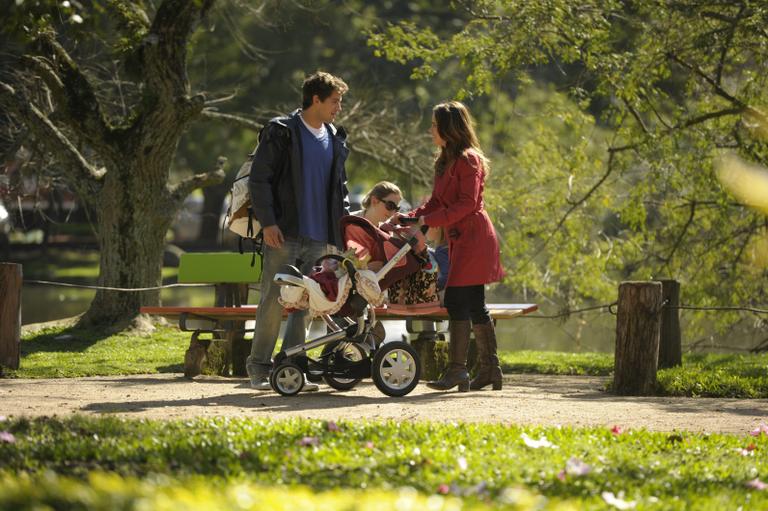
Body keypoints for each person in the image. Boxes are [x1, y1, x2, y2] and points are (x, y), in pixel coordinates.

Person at [246, 71, 351, 391]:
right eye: (334, 101)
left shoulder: (336, 137)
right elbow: (259, 179)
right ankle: (259, 370)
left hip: (321, 238)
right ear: (315, 99)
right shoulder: (282, 131)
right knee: (273, 302)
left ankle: (290, 371)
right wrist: (268, 223)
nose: (339, 108)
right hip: (285, 234)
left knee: (305, 306)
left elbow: (340, 189)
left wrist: (342, 233)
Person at [407, 100, 504, 392]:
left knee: (457, 301)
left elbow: (467, 204)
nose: (430, 130)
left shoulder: (468, 160)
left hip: (474, 238)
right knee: (475, 304)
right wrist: (411, 217)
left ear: (448, 129)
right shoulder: (445, 160)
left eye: (434, 125)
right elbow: (437, 202)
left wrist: (429, 219)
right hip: (458, 239)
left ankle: (458, 371)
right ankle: (490, 370)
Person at [343, 182, 437, 303]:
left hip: (372, 290)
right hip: (351, 289)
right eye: (390, 205)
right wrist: (365, 267)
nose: (393, 212)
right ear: (374, 200)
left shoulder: (386, 230)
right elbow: (343, 259)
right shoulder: (352, 224)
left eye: (396, 208)